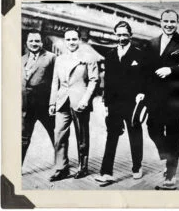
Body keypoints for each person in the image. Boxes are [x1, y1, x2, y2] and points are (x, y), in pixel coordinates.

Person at [145, 9, 179, 189]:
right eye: (165, 21)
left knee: (173, 132)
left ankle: (171, 172)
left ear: (177, 23)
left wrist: (172, 70)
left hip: (176, 98)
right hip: (154, 98)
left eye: (172, 22)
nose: (169, 25)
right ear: (160, 22)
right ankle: (166, 155)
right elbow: (145, 72)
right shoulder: (151, 43)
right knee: (152, 128)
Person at [94, 21, 146, 184]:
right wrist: (107, 104)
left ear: (130, 35)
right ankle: (106, 172)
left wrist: (142, 94)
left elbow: (146, 79)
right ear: (115, 35)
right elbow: (108, 80)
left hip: (133, 103)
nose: (122, 37)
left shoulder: (139, 54)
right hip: (115, 103)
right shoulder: (110, 55)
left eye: (125, 34)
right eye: (119, 34)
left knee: (135, 135)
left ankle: (137, 166)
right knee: (111, 135)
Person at [49, 29, 99, 181]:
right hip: (62, 100)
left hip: (80, 101)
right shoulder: (60, 59)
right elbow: (55, 82)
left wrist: (86, 99)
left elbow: (94, 80)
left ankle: (82, 167)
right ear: (65, 41)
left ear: (79, 40)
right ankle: (61, 168)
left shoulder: (89, 57)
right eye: (68, 39)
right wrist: (52, 102)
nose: (71, 42)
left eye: (74, 39)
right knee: (59, 135)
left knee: (81, 137)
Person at [22, 29, 56, 165]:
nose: (34, 43)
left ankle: (62, 165)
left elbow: (56, 81)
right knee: (23, 138)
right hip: (26, 107)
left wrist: (54, 103)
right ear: (26, 42)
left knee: (55, 134)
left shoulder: (51, 57)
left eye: (37, 41)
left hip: (45, 106)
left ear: (42, 42)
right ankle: (18, 167)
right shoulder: (22, 59)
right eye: (31, 41)